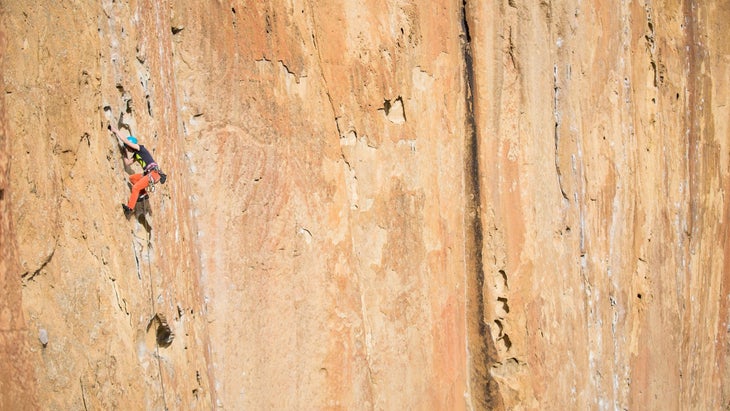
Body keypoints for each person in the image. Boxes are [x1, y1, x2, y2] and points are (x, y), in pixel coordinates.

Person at [109, 125, 165, 216]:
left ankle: (129, 208)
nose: (128, 149)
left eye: (128, 147)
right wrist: (124, 152)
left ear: (131, 145)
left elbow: (125, 140)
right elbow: (127, 163)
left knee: (136, 188)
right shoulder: (136, 155)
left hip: (154, 173)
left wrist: (115, 131)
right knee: (132, 178)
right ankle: (143, 194)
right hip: (149, 174)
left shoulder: (140, 148)